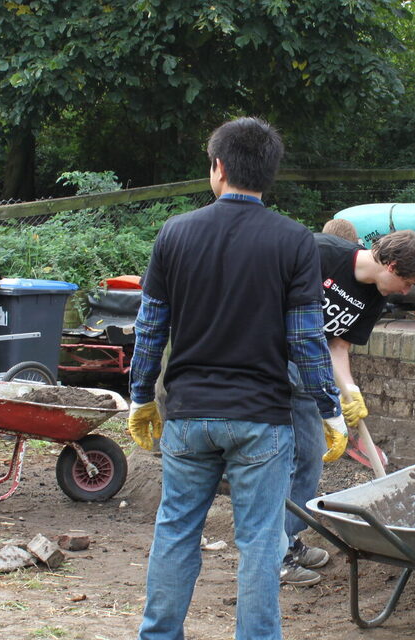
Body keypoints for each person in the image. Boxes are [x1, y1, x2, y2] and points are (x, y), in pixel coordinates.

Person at [126, 117, 341, 640]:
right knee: (262, 542)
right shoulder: (295, 242)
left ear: (218, 168)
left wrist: (139, 398)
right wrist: (329, 407)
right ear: (268, 174)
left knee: (175, 531)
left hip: (189, 416)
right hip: (262, 420)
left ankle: (158, 636)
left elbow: (150, 329)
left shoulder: (175, 233)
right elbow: (306, 342)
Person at [281, 228, 415, 586]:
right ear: (392, 267)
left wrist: (349, 390)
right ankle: (273, 555)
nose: (407, 292)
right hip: (270, 362)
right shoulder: (320, 253)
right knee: (279, 458)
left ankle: (289, 541)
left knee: (309, 456)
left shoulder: (374, 298)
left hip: (311, 372)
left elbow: (337, 346)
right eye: (408, 282)